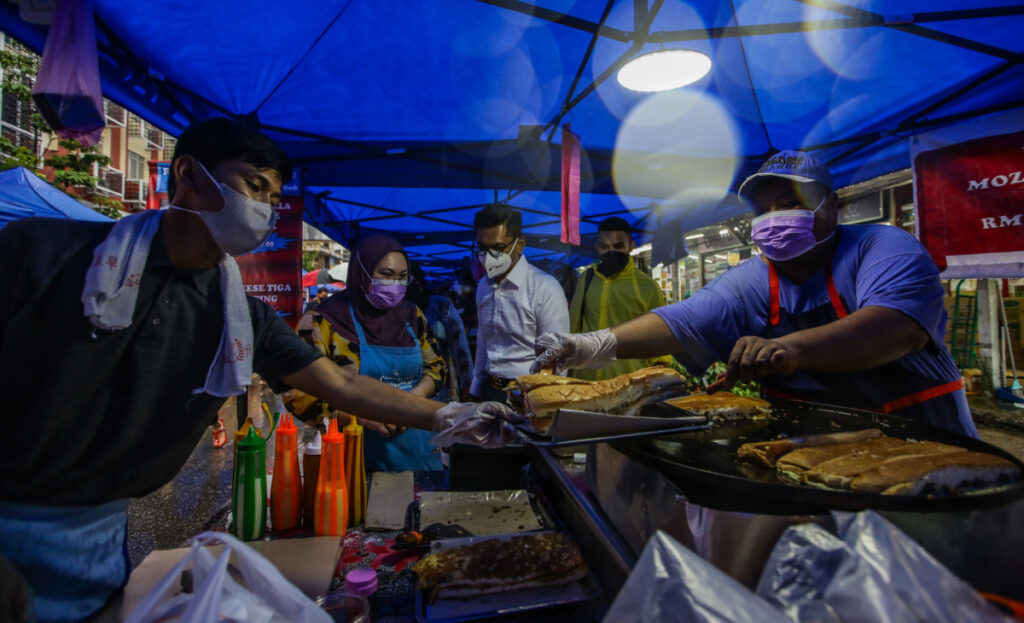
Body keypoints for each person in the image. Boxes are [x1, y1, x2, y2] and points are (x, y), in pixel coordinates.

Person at [0, 117, 517, 622]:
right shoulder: (44, 252)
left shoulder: (242, 315)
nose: (265, 209)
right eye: (254, 187)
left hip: (100, 530)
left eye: (273, 198)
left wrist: (453, 415)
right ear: (187, 174)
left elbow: (339, 383)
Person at [533, 150, 978, 438]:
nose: (773, 217)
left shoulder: (881, 246)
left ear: (832, 205)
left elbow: (896, 328)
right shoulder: (753, 277)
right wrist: (593, 345)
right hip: (813, 450)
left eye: (788, 203)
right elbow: (686, 318)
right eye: (763, 210)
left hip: (921, 440)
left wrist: (787, 349)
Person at [285, 236, 447, 472]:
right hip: (352, 454)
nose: (395, 284)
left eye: (403, 277)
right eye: (386, 274)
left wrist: (408, 404)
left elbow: (437, 368)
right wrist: (359, 417)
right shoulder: (323, 321)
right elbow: (298, 395)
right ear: (362, 272)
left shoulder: (412, 316)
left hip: (416, 451)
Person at [470, 204, 570, 403]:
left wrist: (545, 402)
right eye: (482, 248)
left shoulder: (544, 288)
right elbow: (483, 340)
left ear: (520, 245)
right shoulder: (483, 286)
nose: (488, 257)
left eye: (498, 248)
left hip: (530, 393)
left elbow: (556, 356)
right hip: (489, 391)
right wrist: (475, 388)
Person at [569, 217, 673, 380]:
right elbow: (573, 330)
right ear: (597, 247)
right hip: (586, 382)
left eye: (618, 246)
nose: (611, 252)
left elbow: (660, 345)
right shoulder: (586, 280)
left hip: (629, 384)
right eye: (604, 246)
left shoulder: (647, 287)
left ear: (631, 246)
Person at [405, 264, 474, 403]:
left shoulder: (440, 305)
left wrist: (467, 383)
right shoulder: (393, 309)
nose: (414, 287)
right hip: (403, 383)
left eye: (416, 283)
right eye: (409, 283)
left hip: (440, 387)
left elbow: (459, 345)